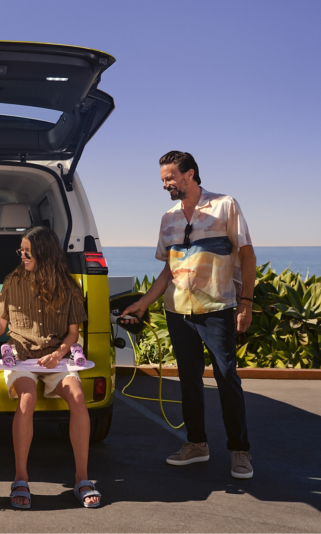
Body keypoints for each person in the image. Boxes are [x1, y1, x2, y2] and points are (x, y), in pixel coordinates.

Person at [122, 151, 256, 479]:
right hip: (177, 311)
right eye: (163, 180)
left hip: (218, 309)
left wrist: (246, 302)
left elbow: (248, 256)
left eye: (170, 178)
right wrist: (144, 303)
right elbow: (169, 271)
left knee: (227, 378)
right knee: (189, 381)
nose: (165, 184)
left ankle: (239, 450)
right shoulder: (168, 218)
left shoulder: (225, 205)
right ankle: (197, 444)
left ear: (190, 174)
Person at [0, 225, 102, 508]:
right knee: (27, 399)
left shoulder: (68, 287)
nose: (22, 256)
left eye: (27, 252)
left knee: (79, 399)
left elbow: (72, 333)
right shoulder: (12, 282)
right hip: (20, 356)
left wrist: (58, 354)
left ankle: (82, 478)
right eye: (21, 251)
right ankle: (21, 478)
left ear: (43, 253)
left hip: (56, 357)